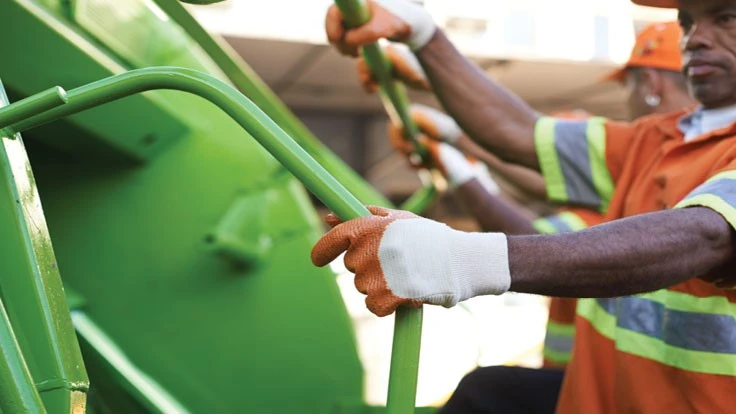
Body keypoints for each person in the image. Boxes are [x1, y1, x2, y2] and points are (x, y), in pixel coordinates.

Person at [315, 0, 736, 412]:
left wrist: (459, 257)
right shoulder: (657, 139)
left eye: (726, 17)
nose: (695, 37)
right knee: (488, 391)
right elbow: (519, 132)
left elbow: (704, 236)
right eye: (686, 21)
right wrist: (424, 36)